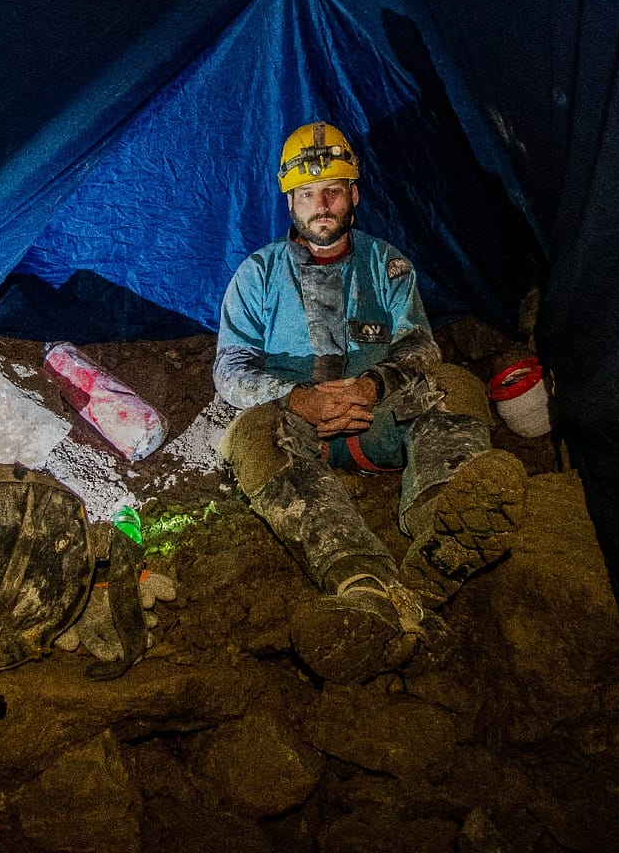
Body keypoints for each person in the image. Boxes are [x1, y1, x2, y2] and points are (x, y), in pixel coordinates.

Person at [213, 121, 527, 684]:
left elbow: (421, 347)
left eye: (333, 189)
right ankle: (363, 586)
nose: (321, 204)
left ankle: (443, 531)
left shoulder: (389, 265)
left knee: (453, 385)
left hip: (377, 419)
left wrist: (372, 386)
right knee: (248, 438)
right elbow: (231, 369)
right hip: (299, 434)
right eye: (307, 194)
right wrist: (296, 399)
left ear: (355, 194)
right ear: (290, 202)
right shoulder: (255, 275)